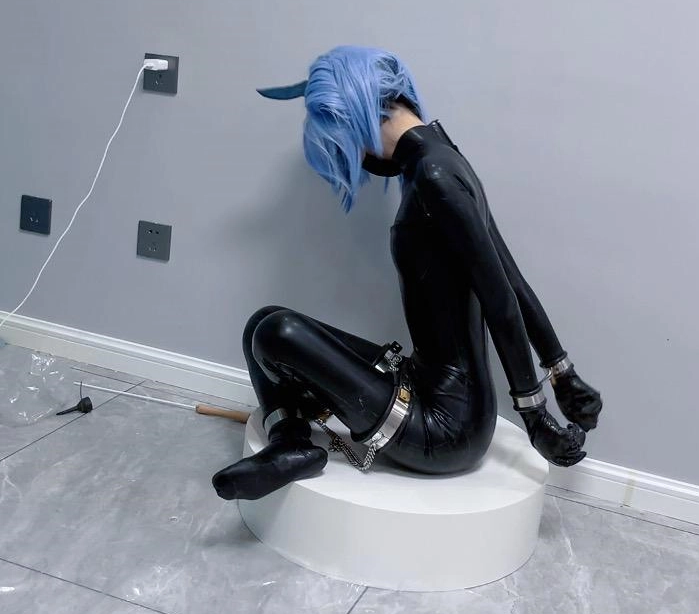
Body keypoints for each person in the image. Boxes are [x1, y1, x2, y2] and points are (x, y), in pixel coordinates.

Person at [213, 47, 602, 501]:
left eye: (344, 139)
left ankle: (290, 439)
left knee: (277, 332)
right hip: (425, 383)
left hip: (446, 427)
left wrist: (535, 416)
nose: (356, 156)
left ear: (353, 113)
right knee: (261, 322)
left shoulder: (433, 174)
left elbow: (501, 299)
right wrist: (562, 374)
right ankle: (290, 444)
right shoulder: (441, 159)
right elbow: (513, 280)